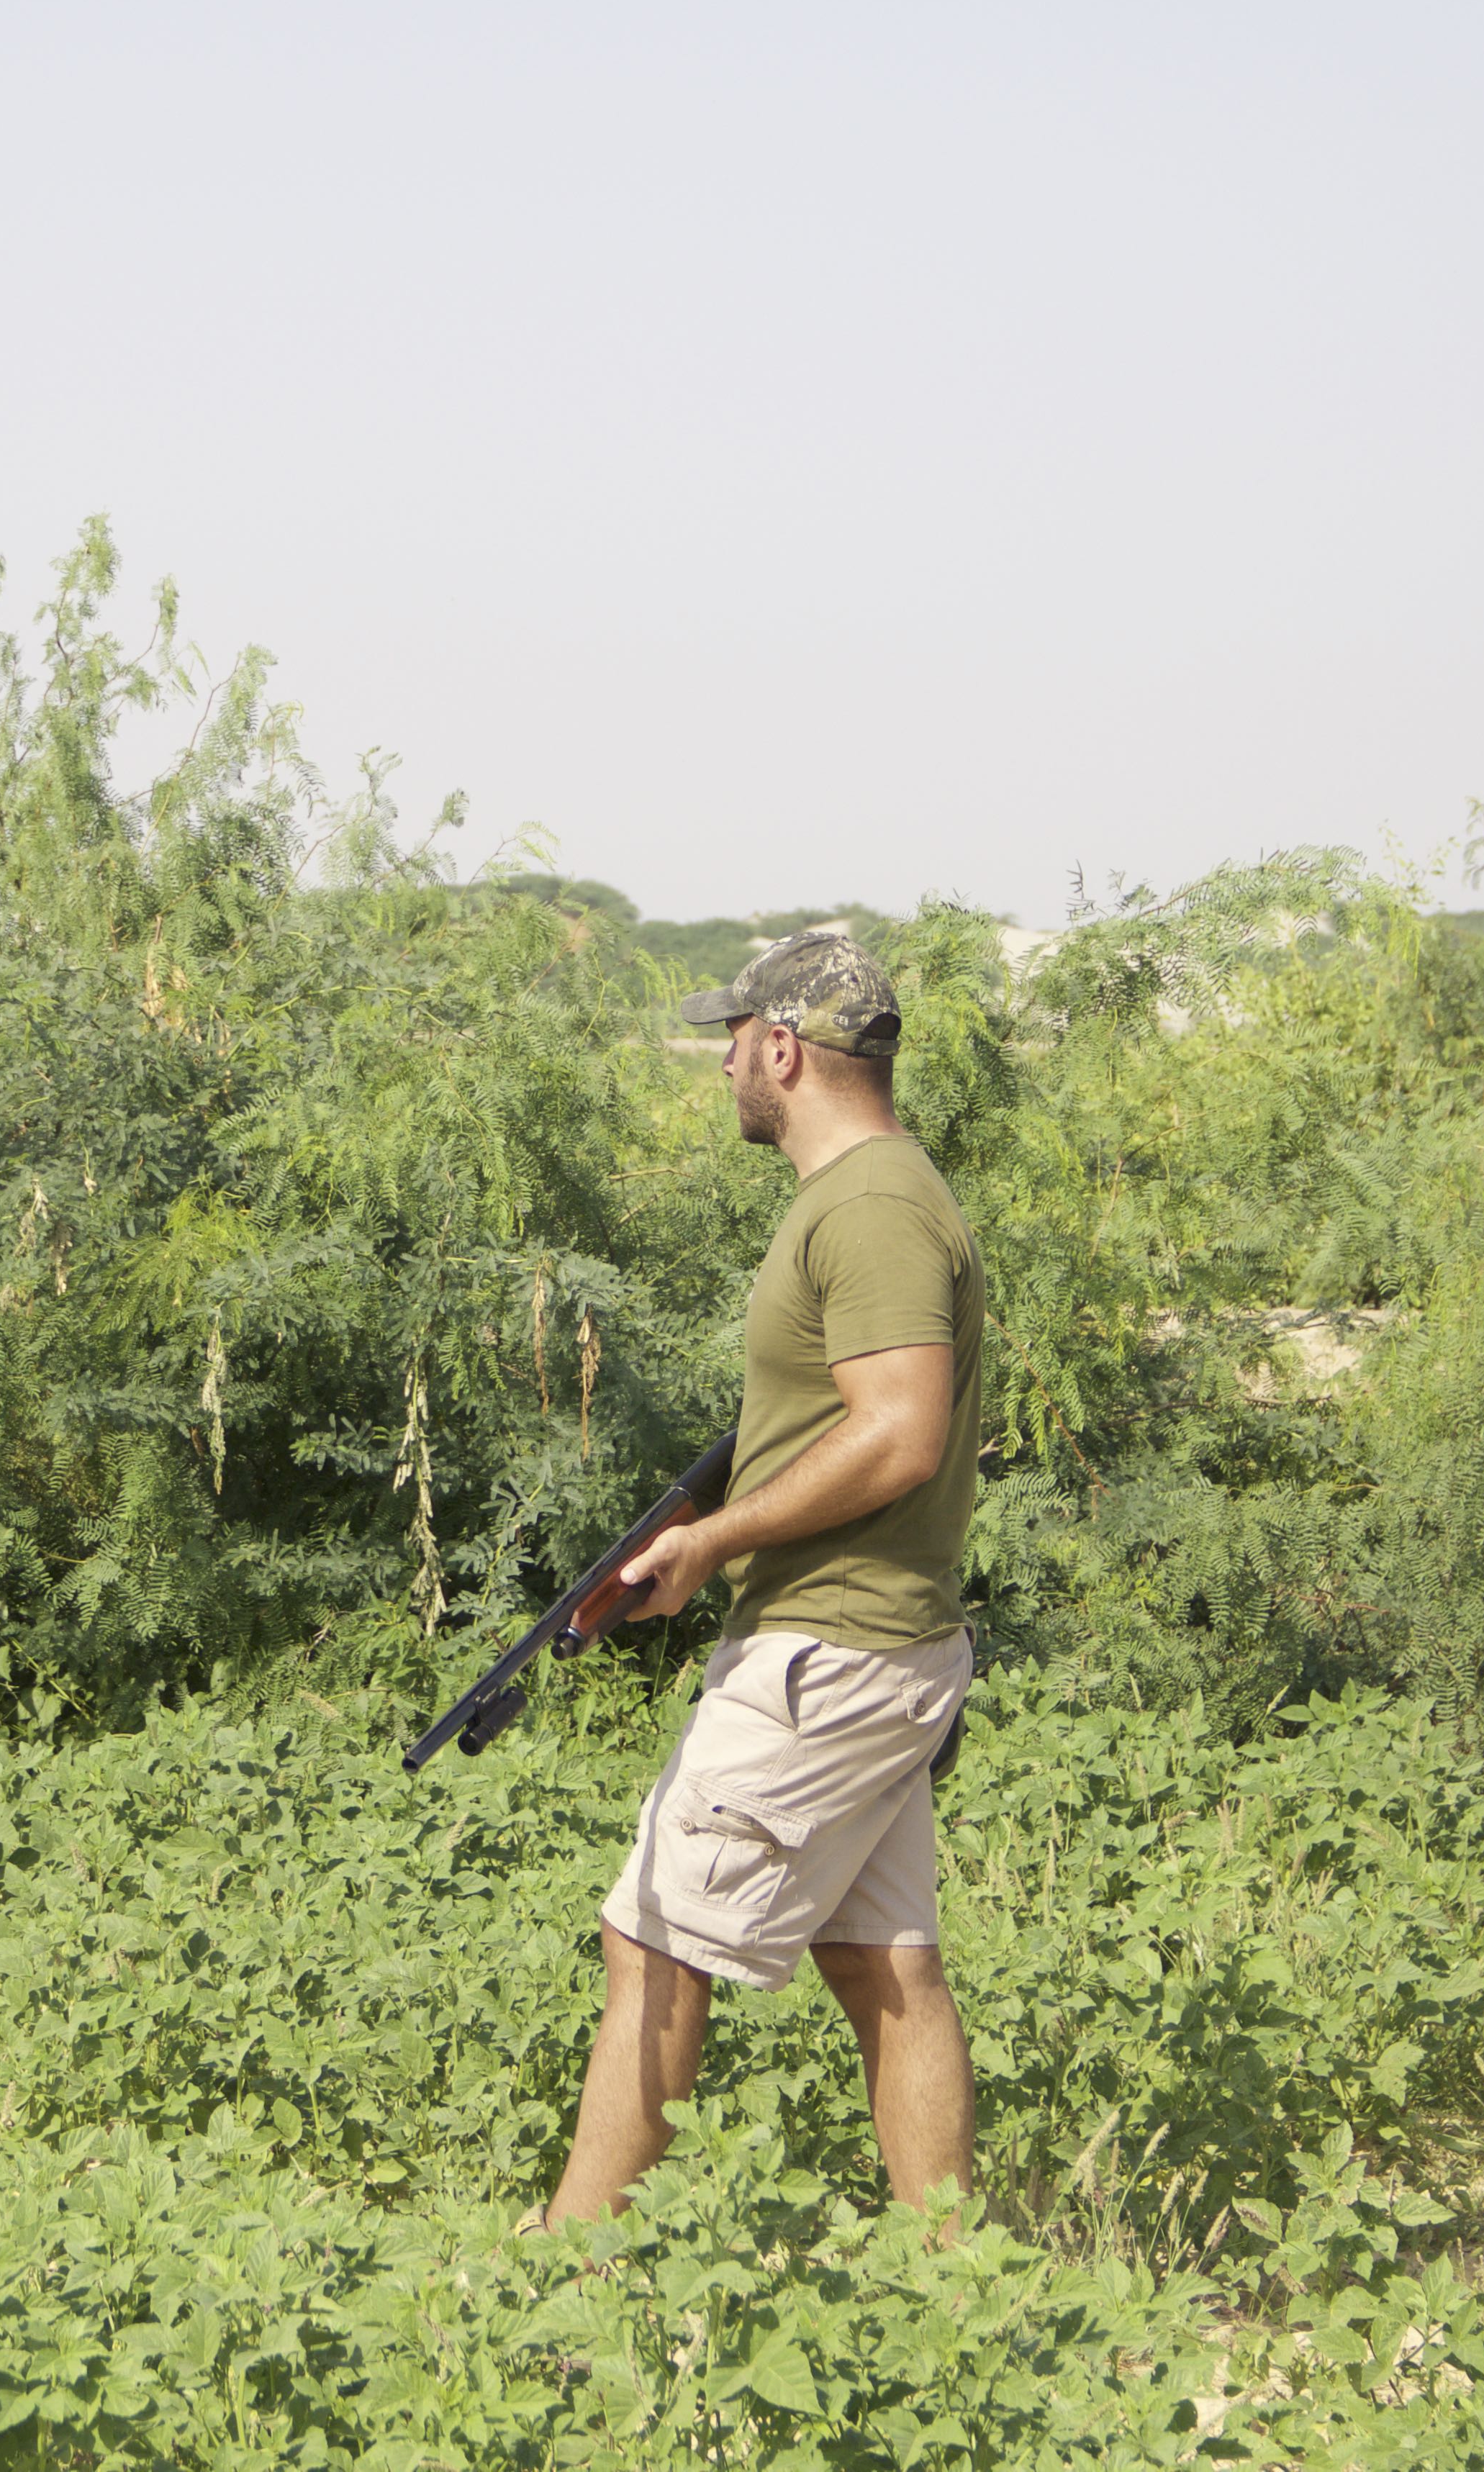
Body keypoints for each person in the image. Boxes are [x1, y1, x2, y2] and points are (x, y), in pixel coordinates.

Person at [543, 928, 985, 2230]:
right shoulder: (873, 1197)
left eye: (733, 1037)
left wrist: (714, 1539)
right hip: (872, 1643)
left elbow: (901, 1431)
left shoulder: (873, 1207)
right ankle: (957, 2280)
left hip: (828, 1651)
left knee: (656, 1938)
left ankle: (567, 2281)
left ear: (783, 1049)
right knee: (883, 1963)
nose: (726, 1059)